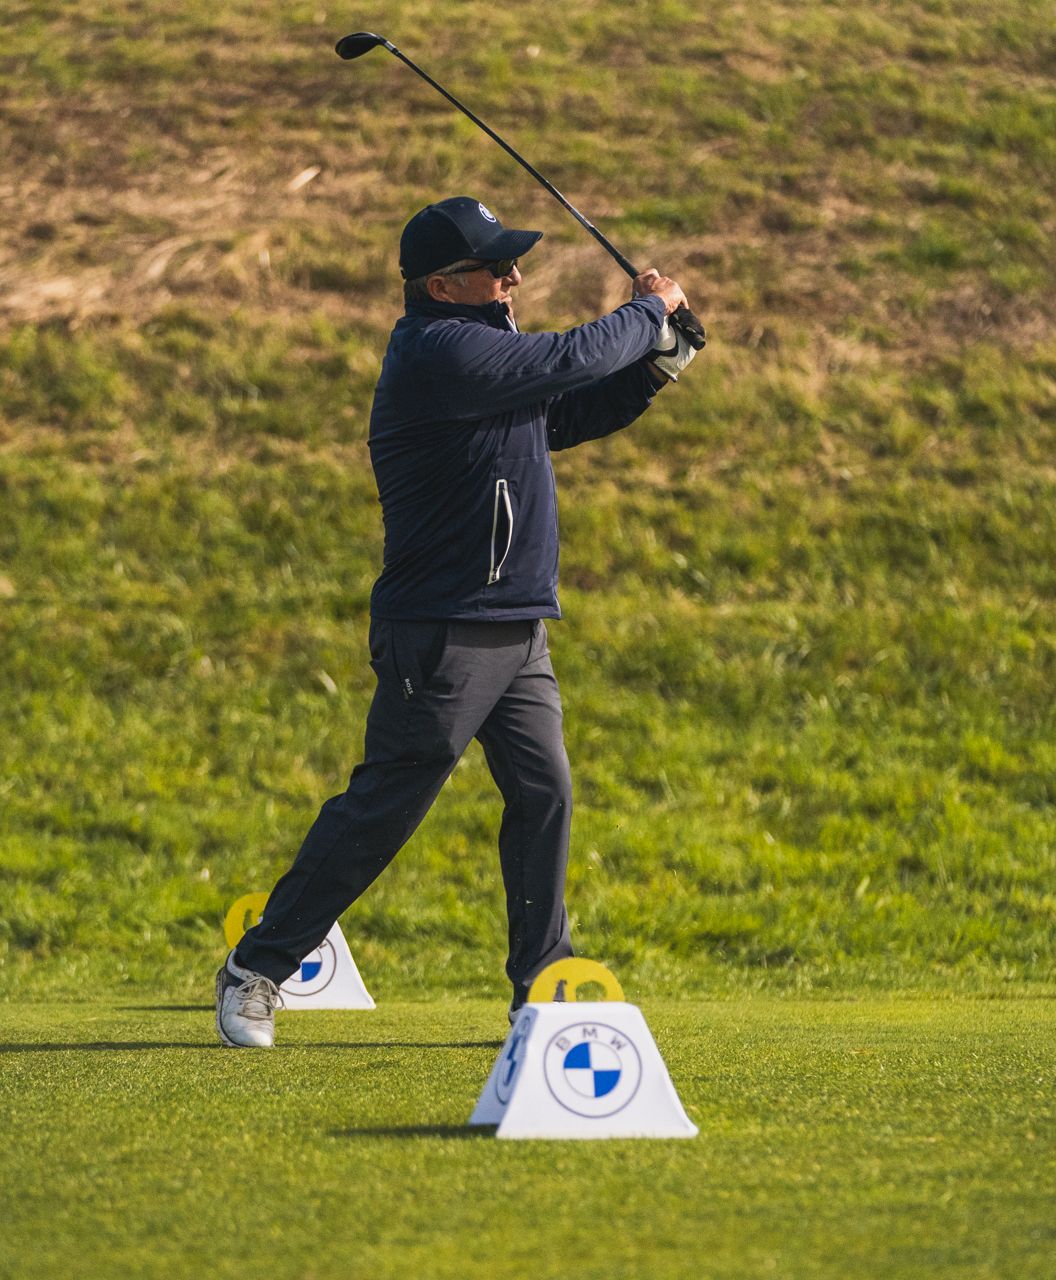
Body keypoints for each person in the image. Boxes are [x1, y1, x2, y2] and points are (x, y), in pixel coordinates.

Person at [215, 196, 699, 1047]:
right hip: (442, 628)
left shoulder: (487, 357)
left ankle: (542, 988)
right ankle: (256, 968)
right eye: (495, 267)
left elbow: (571, 411)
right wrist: (647, 313)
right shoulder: (440, 351)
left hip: (515, 622)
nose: (514, 278)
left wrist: (662, 362)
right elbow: (572, 356)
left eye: (512, 263)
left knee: (545, 794)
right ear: (442, 286)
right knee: (389, 805)